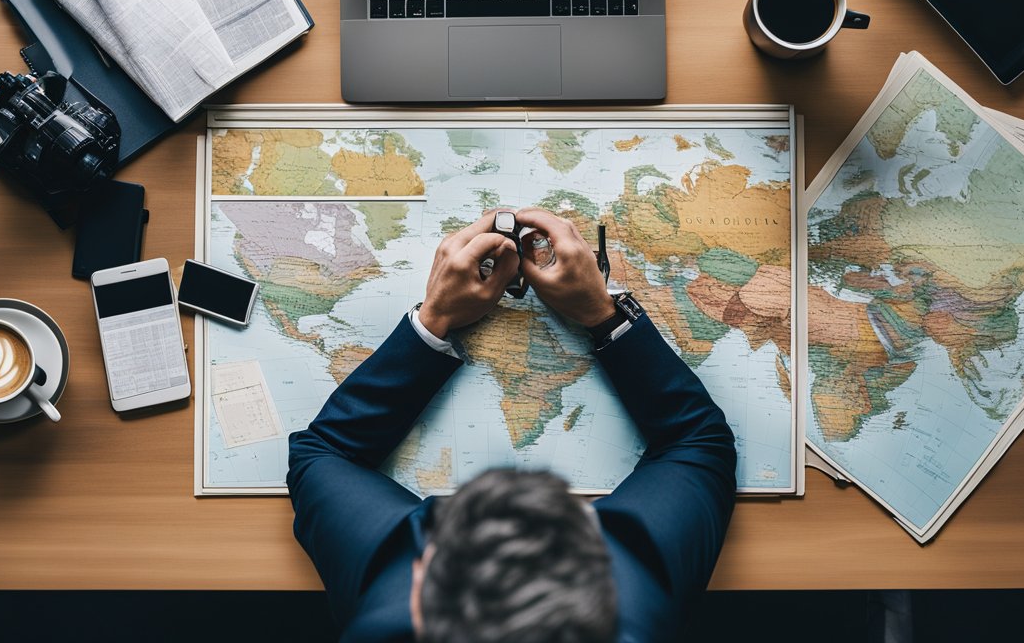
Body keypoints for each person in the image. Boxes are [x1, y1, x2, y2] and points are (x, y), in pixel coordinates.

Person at [288, 208, 738, 642]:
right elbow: (697, 441)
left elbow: (325, 453)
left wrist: (435, 319)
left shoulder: (387, 615)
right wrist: (602, 313)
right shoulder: (636, 602)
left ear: (419, 576)